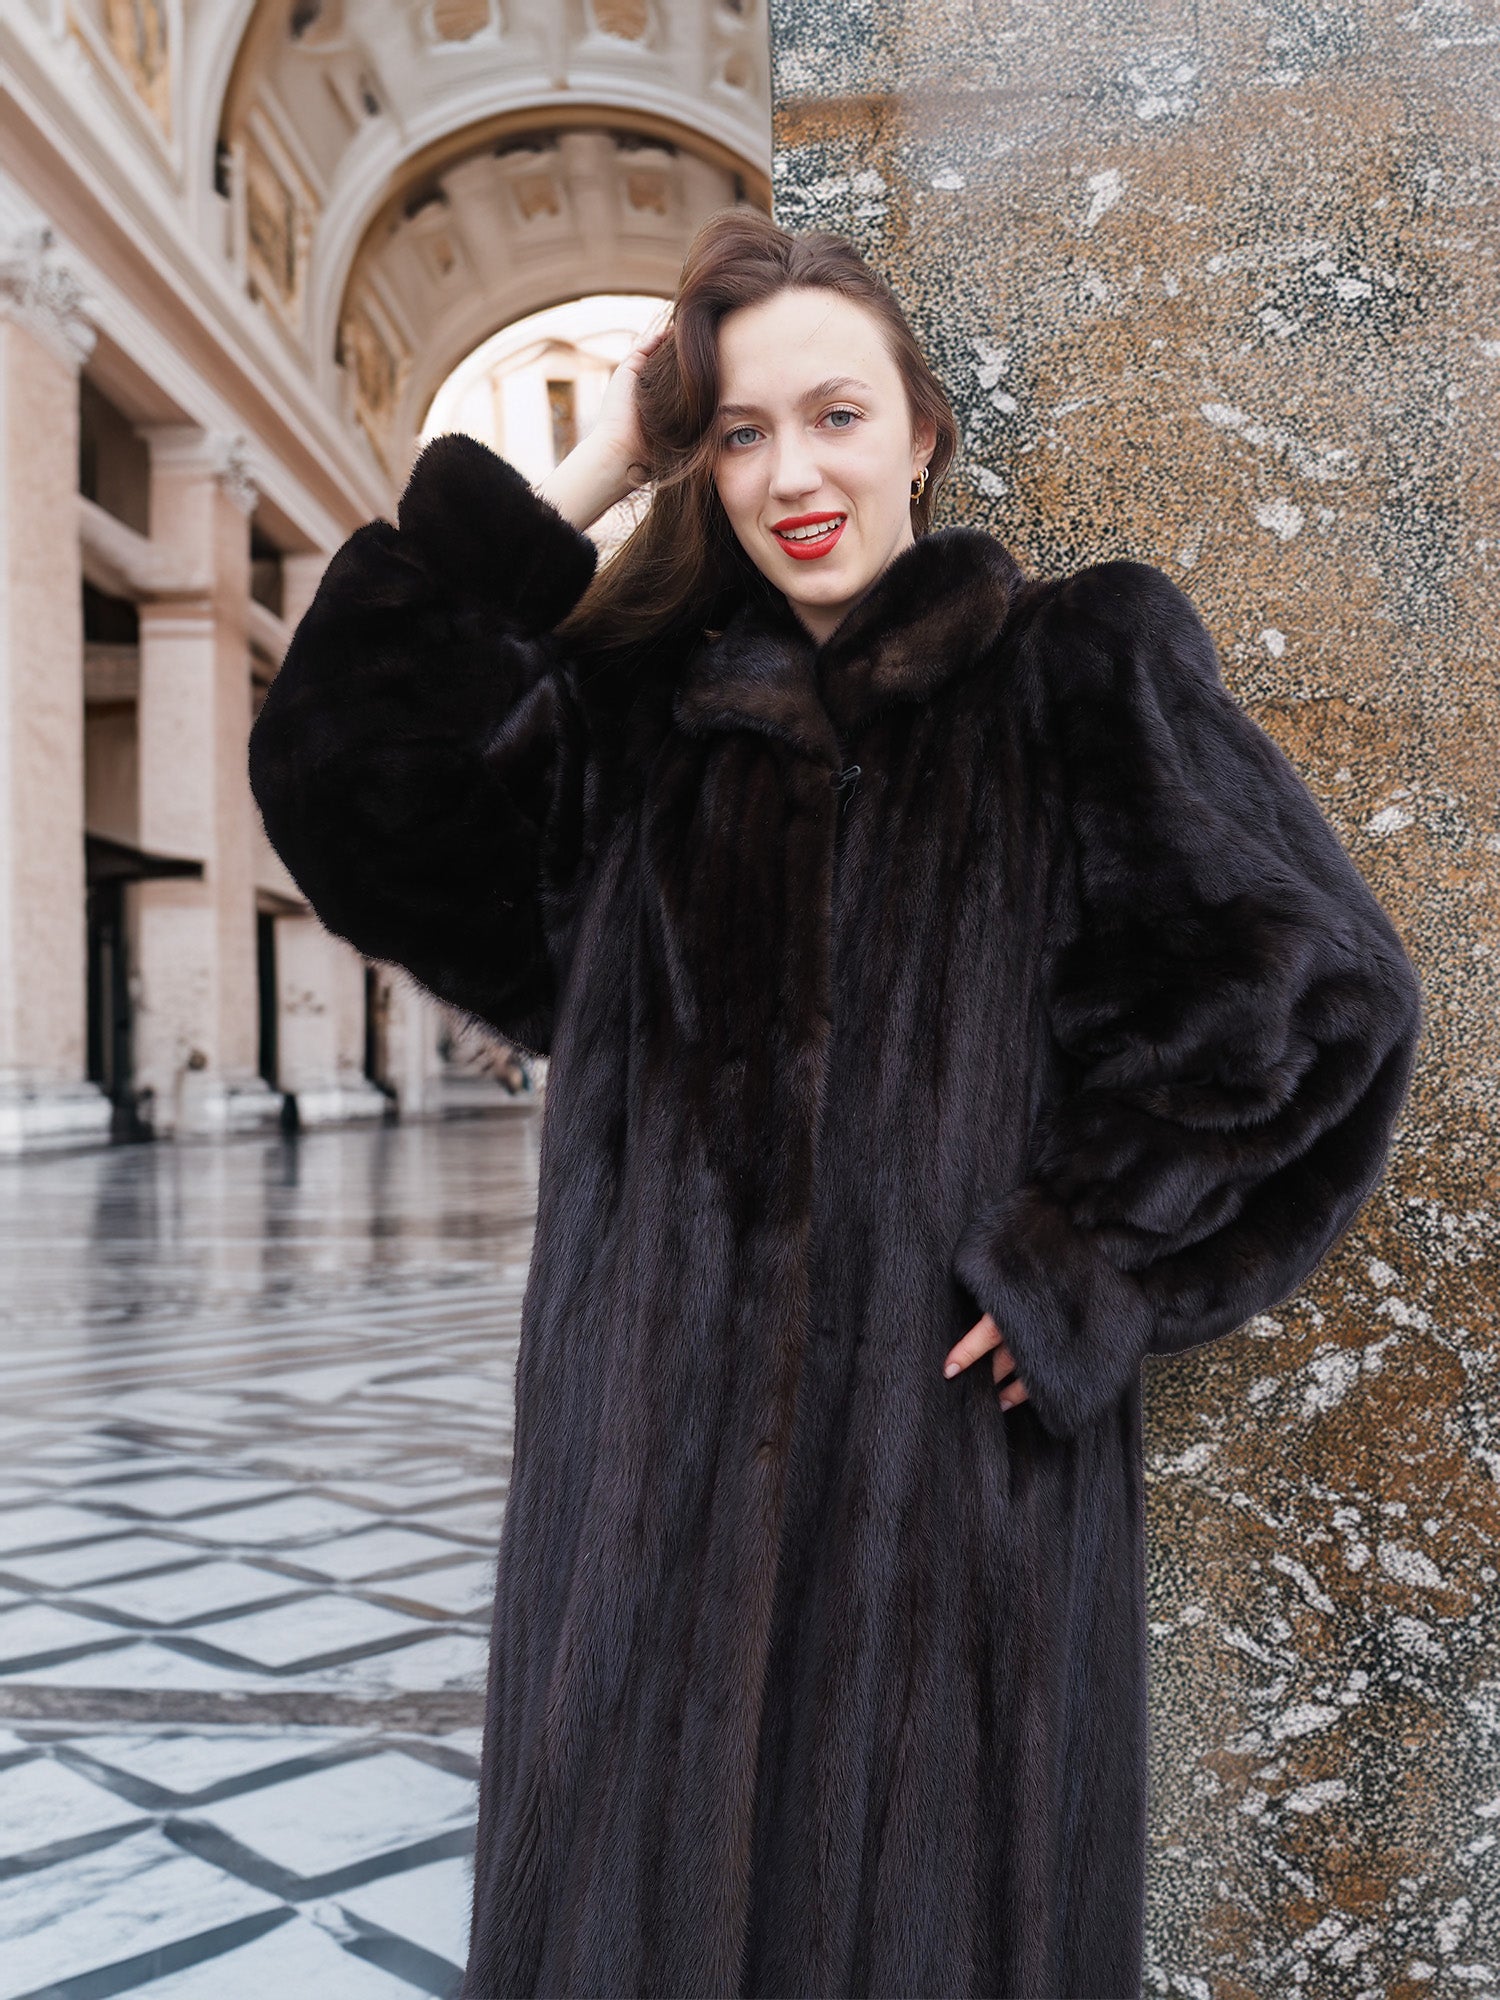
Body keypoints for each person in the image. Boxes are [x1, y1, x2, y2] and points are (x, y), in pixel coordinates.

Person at [247, 208, 1421, 1999]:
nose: (794, 473)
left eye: (837, 415)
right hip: (638, 1528)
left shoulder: (1070, 672)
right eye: (738, 432)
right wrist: (594, 465)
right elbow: (358, 798)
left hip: (942, 1533)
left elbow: (1313, 998)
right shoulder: (631, 725)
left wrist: (1087, 1260)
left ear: (922, 430)